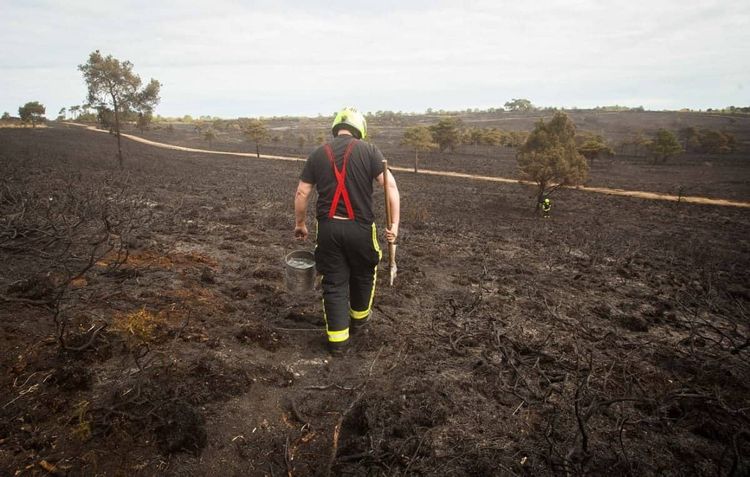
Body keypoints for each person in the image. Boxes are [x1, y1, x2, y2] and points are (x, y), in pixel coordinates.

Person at [293, 107, 400, 355]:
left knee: (334, 283)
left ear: (336, 128)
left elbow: (302, 193)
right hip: (361, 229)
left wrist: (300, 224)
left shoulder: (318, 154)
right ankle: (360, 322)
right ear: (359, 128)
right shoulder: (371, 151)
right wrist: (394, 226)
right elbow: (391, 188)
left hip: (328, 230)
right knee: (363, 274)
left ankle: (337, 342)